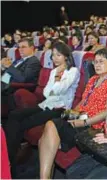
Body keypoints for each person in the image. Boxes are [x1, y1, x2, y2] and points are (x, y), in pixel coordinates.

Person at [38, 48, 107, 179]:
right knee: (48, 129)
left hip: (93, 124)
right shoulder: (93, 79)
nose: (97, 65)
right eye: (95, 62)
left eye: (101, 61)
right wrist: (70, 114)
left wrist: (82, 122)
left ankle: (44, 177)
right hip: (81, 116)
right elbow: (84, 101)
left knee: (48, 131)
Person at [4, 41, 80, 177]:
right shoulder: (54, 71)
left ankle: (12, 163)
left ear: (66, 56)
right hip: (46, 104)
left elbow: (59, 89)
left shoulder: (73, 71)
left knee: (23, 123)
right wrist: (56, 78)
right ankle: (8, 159)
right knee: (15, 114)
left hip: (61, 109)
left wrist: (57, 80)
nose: (54, 58)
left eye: (58, 55)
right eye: (53, 55)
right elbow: (46, 92)